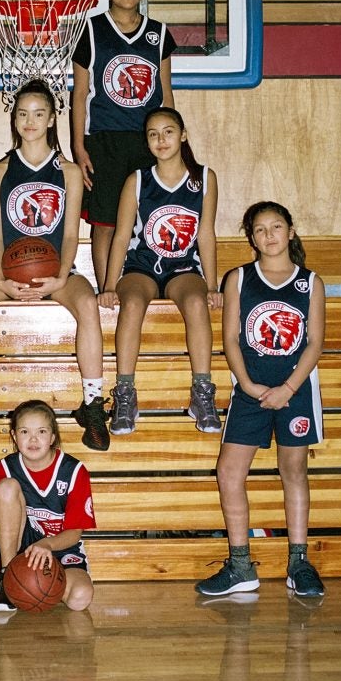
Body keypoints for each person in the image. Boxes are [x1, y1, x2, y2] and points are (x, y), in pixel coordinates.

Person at [0, 77, 111, 451]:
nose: (29, 121)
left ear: (51, 119)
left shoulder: (69, 172)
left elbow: (66, 235)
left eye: (38, 113)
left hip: (57, 268)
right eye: (22, 114)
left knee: (87, 305)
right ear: (14, 119)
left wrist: (60, 276)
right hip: (6, 267)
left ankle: (93, 404)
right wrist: (1, 279)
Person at [195, 201, 326, 598]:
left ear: (290, 230)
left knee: (294, 472)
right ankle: (240, 566)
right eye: (260, 229)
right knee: (229, 473)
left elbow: (315, 343)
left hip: (296, 391)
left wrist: (288, 388)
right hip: (250, 391)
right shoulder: (238, 279)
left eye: (276, 227)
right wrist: (248, 385)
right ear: (251, 237)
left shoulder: (310, 282)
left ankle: (298, 562)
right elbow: (231, 339)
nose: (269, 235)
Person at [99, 107, 222, 436]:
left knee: (197, 303)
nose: (160, 139)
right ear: (147, 141)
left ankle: (202, 393)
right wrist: (110, 284)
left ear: (182, 135)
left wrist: (212, 284)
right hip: (142, 266)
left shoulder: (204, 178)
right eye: (153, 134)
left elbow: (206, 234)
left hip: (183, 267)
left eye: (168, 132)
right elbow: (122, 236)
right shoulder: (138, 180)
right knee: (134, 303)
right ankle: (125, 393)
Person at [71, 0, 176, 290]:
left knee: (145, 220)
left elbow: (165, 94)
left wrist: (173, 145)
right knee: (105, 223)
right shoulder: (90, 29)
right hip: (105, 139)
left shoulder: (158, 33)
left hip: (149, 139)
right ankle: (107, 290)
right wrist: (78, 145)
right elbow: (80, 94)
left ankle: (147, 281)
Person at [0, 399, 96, 613]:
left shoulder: (74, 471)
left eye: (42, 431)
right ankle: (7, 579)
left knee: (79, 598)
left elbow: (74, 532)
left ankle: (36, 587)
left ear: (53, 437)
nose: (33, 439)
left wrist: (46, 546)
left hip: (59, 547)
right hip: (19, 550)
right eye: (25, 431)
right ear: (14, 436)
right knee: (7, 487)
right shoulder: (4, 469)